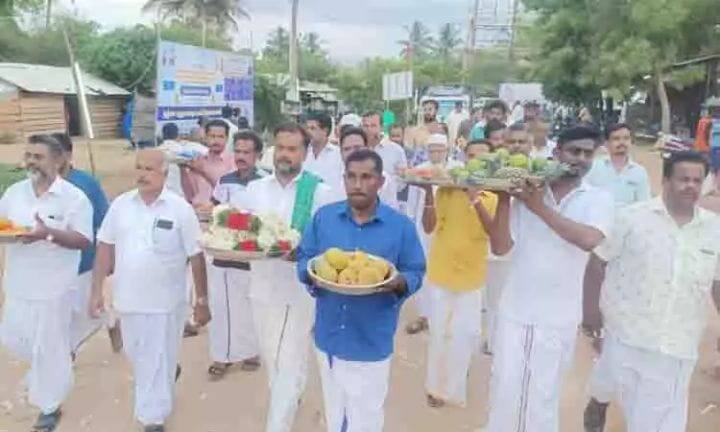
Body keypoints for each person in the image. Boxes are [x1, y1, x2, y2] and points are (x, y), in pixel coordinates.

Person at [484, 125, 614, 432]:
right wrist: (504, 197)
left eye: (587, 153)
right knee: (504, 394)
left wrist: (538, 207)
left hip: (557, 318)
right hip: (514, 310)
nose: (580, 159)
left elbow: (588, 239)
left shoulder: (597, 199)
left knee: (541, 400)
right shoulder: (530, 189)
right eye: (573, 151)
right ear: (557, 153)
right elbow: (501, 246)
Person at [582, 151, 720, 432]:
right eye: (683, 179)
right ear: (665, 180)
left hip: (678, 345)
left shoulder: (714, 229)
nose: (690, 186)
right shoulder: (631, 219)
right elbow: (598, 262)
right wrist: (591, 313)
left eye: (697, 180)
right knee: (608, 382)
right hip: (626, 332)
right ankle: (599, 399)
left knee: (657, 422)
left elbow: (717, 282)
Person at [297, 149, 426, 432]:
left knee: (367, 414)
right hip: (330, 334)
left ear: (380, 182)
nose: (358, 184)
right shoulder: (324, 218)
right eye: (352, 177)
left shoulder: (400, 226)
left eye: (366, 177)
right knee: (336, 413)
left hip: (371, 338)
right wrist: (313, 277)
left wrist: (398, 283)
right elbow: (305, 258)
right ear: (344, 180)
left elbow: (416, 270)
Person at [90, 149, 211, 432]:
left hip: (165, 303)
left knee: (153, 362)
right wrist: (96, 290)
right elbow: (105, 247)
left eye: (149, 169)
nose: (142, 174)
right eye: (138, 168)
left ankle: (152, 419)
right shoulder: (121, 205)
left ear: (165, 175)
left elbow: (196, 255)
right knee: (138, 355)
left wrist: (202, 300)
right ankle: (168, 374)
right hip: (128, 299)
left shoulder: (180, 208)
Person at [237, 123, 335, 432]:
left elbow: (328, 243)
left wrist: (304, 250)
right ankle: (291, 393)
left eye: (292, 149)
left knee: (286, 362)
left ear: (305, 153)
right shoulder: (255, 190)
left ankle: (278, 424)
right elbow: (242, 234)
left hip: (299, 292)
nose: (285, 154)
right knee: (273, 360)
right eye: (280, 147)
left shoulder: (320, 192)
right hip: (262, 288)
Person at [0, 134, 93, 432]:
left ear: (58, 161)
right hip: (17, 285)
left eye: (38, 157)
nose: (30, 162)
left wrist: (47, 233)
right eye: (28, 156)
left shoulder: (74, 198)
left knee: (49, 347)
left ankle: (49, 406)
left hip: (54, 288)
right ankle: (55, 364)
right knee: (14, 338)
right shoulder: (14, 193)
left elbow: (82, 240)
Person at [419, 141, 498, 408]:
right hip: (442, 270)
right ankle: (435, 388)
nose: (475, 161)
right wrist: (429, 192)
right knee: (440, 332)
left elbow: (494, 233)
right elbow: (429, 227)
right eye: (471, 156)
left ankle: (455, 386)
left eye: (482, 158)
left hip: (472, 275)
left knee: (466, 334)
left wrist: (474, 197)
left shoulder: (496, 196)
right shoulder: (447, 190)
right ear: (465, 159)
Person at [205, 131, 266, 380]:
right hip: (223, 252)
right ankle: (222, 356)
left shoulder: (265, 182)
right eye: (237, 151)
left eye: (246, 152)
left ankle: (251, 352)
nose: (241, 156)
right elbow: (213, 209)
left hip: (251, 255)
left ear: (258, 155)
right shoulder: (225, 180)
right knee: (222, 307)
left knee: (250, 305)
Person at [51, 133, 111, 357]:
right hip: (51, 261)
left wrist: (108, 259)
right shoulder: (37, 185)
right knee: (58, 312)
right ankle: (66, 352)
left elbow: (104, 223)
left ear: (68, 154)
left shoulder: (86, 184)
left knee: (85, 311)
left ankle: (111, 324)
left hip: (83, 261)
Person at [586, 123, 651, 207]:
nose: (622, 142)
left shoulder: (639, 172)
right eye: (616, 139)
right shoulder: (593, 167)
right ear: (606, 143)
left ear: (631, 142)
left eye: (626, 138)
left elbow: (644, 204)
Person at [334, 127, 399, 209]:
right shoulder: (333, 176)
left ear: (368, 148)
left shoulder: (383, 179)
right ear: (341, 152)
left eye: (357, 147)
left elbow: (391, 211)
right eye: (347, 149)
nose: (352, 152)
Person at [180, 119, 236, 207]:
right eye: (212, 136)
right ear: (206, 137)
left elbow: (226, 193)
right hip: (197, 211)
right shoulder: (198, 161)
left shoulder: (233, 161)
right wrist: (182, 170)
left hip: (220, 213)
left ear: (227, 138)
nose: (216, 140)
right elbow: (190, 196)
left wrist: (203, 171)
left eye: (220, 137)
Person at [303, 111, 344, 187]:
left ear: (325, 130)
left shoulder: (339, 155)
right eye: (307, 128)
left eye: (312, 128)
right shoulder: (302, 154)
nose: (308, 132)